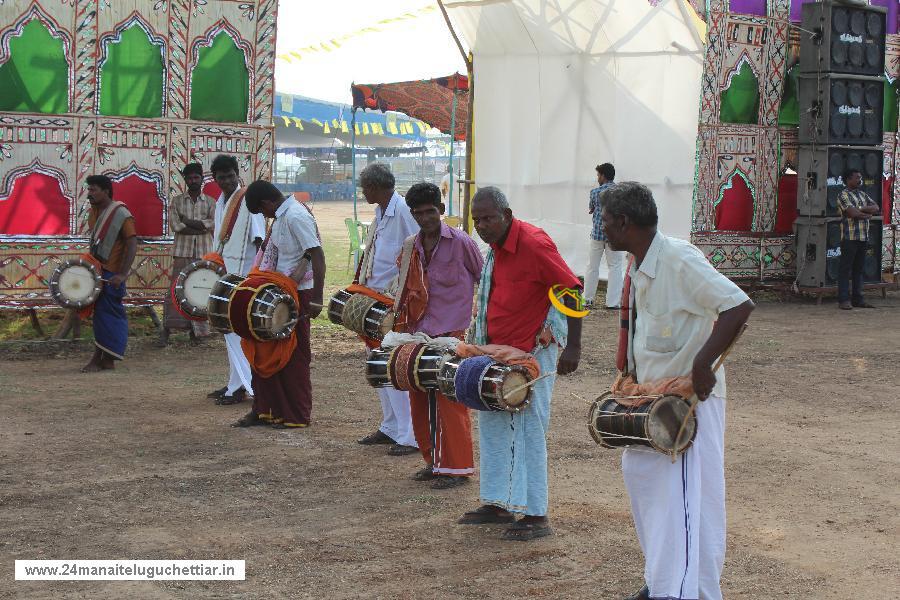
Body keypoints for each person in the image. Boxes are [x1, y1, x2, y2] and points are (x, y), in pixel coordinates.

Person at [599, 182, 754, 600]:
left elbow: (738, 306)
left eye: (607, 220)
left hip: (688, 406)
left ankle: (676, 590)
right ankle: (668, 583)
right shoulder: (638, 262)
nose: (603, 227)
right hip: (651, 402)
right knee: (647, 483)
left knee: (684, 504)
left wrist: (703, 364)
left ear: (625, 222)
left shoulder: (678, 258)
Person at [457, 186, 582, 541]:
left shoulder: (533, 244)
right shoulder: (495, 248)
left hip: (532, 351)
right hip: (496, 350)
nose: (481, 225)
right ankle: (498, 502)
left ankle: (535, 513)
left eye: (488, 218)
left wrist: (573, 346)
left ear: (507, 215)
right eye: (476, 219)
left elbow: (571, 289)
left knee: (528, 429)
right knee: (493, 423)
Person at [394, 182, 483, 488]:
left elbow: (485, 280)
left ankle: (456, 469)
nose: (425, 218)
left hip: (453, 332)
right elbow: (403, 289)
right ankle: (432, 461)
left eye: (430, 212)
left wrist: (480, 321)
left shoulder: (462, 243)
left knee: (451, 399)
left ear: (441, 211)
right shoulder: (410, 246)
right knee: (418, 398)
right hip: (418, 334)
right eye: (418, 213)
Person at [232, 181, 325, 429]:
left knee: (293, 357)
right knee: (263, 350)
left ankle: (295, 415)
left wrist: (317, 298)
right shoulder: (283, 216)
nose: (265, 216)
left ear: (266, 204)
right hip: (275, 292)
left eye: (263, 212)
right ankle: (265, 410)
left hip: (298, 295)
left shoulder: (295, 215)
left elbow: (317, 255)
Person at [355, 162, 420, 456]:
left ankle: (409, 435)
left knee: (394, 364)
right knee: (378, 364)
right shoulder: (380, 212)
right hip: (374, 298)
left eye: (365, 187)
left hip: (393, 302)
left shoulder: (404, 211)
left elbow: (417, 249)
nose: (363, 191)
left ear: (377, 187)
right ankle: (391, 426)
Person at [208, 154, 266, 405]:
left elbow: (260, 240)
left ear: (237, 173)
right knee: (229, 331)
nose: (227, 181)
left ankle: (244, 387)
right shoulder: (221, 201)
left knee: (237, 333)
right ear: (216, 179)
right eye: (222, 178)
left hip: (243, 278)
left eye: (231, 176)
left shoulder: (246, 200)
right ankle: (235, 383)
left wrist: (258, 277)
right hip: (226, 274)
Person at [81, 175, 137, 372]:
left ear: (106, 191)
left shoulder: (121, 214)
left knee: (108, 314)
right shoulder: (94, 212)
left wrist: (122, 274)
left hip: (112, 274)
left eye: (93, 189)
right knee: (102, 315)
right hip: (98, 270)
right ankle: (106, 359)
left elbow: (132, 243)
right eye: (89, 190)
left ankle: (100, 359)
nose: (90, 194)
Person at [161, 163, 215, 345]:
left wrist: (188, 222)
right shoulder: (177, 201)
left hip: (203, 253)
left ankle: (198, 334)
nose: (193, 181)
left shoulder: (210, 202)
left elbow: (212, 224)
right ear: (185, 180)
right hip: (182, 252)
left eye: (196, 177)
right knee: (175, 291)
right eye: (189, 178)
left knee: (200, 291)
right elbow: (177, 227)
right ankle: (168, 329)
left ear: (202, 179)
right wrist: (199, 227)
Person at [836, 168, 879, 310]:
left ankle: (858, 299)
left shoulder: (862, 194)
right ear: (848, 180)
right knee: (845, 269)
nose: (860, 180)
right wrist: (864, 213)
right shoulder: (843, 195)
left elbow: (876, 207)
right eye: (857, 178)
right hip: (850, 237)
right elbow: (852, 213)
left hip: (863, 237)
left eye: (860, 177)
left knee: (858, 270)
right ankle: (843, 300)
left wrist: (860, 208)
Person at [584, 162, 624, 309]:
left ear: (603, 175)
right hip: (615, 236)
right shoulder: (621, 192)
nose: (597, 178)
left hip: (597, 235)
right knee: (614, 267)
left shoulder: (594, 192)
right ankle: (612, 302)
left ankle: (587, 299)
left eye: (598, 175)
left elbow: (591, 209)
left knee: (592, 266)